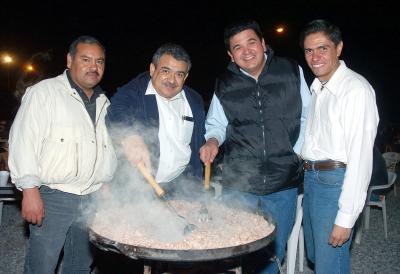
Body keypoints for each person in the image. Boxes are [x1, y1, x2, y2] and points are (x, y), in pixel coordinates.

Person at [199, 19, 311, 274]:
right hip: (239, 183)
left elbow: (308, 115)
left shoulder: (291, 70)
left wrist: (297, 152)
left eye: (251, 42)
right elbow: (216, 123)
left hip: (283, 182)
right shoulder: (224, 84)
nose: (246, 51)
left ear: (263, 43)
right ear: (230, 54)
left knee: (273, 249)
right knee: (233, 245)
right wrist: (212, 140)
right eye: (237, 47)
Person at [8, 35, 117, 274]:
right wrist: (29, 190)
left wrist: (106, 183)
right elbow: (23, 140)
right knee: (42, 266)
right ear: (70, 60)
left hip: (92, 198)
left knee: (80, 264)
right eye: (86, 59)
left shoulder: (104, 102)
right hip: (53, 197)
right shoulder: (44, 93)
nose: (93, 67)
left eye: (99, 61)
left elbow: (106, 149)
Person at [299, 19, 379, 273]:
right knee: (316, 254)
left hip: (334, 183)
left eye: (322, 48)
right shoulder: (318, 89)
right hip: (312, 179)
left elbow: (361, 159)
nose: (315, 56)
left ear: (339, 48)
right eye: (309, 50)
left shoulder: (355, 90)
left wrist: (346, 218)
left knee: (329, 263)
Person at [106, 43, 205, 191]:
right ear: (153, 69)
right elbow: (116, 110)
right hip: (139, 189)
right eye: (166, 71)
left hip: (182, 187)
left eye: (179, 74)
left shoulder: (194, 100)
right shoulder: (134, 92)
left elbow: (198, 140)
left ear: (186, 77)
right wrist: (130, 135)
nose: (172, 80)